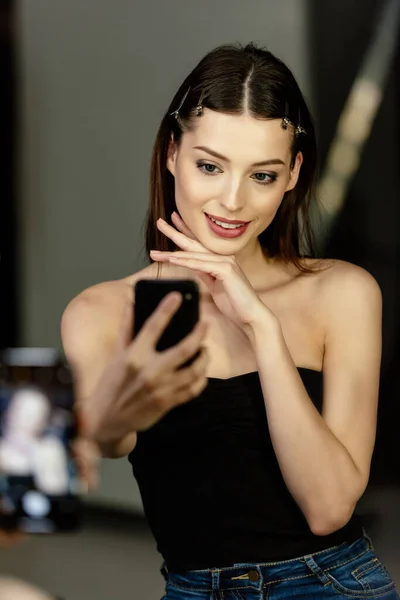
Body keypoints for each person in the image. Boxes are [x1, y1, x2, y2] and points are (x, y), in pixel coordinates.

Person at [61, 43, 399, 599]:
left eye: (262, 175)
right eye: (210, 166)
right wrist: (111, 405)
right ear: (172, 153)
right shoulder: (101, 313)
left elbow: (329, 507)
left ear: (293, 173)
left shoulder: (343, 293)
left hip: (331, 584)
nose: (232, 200)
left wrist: (262, 327)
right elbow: (109, 441)